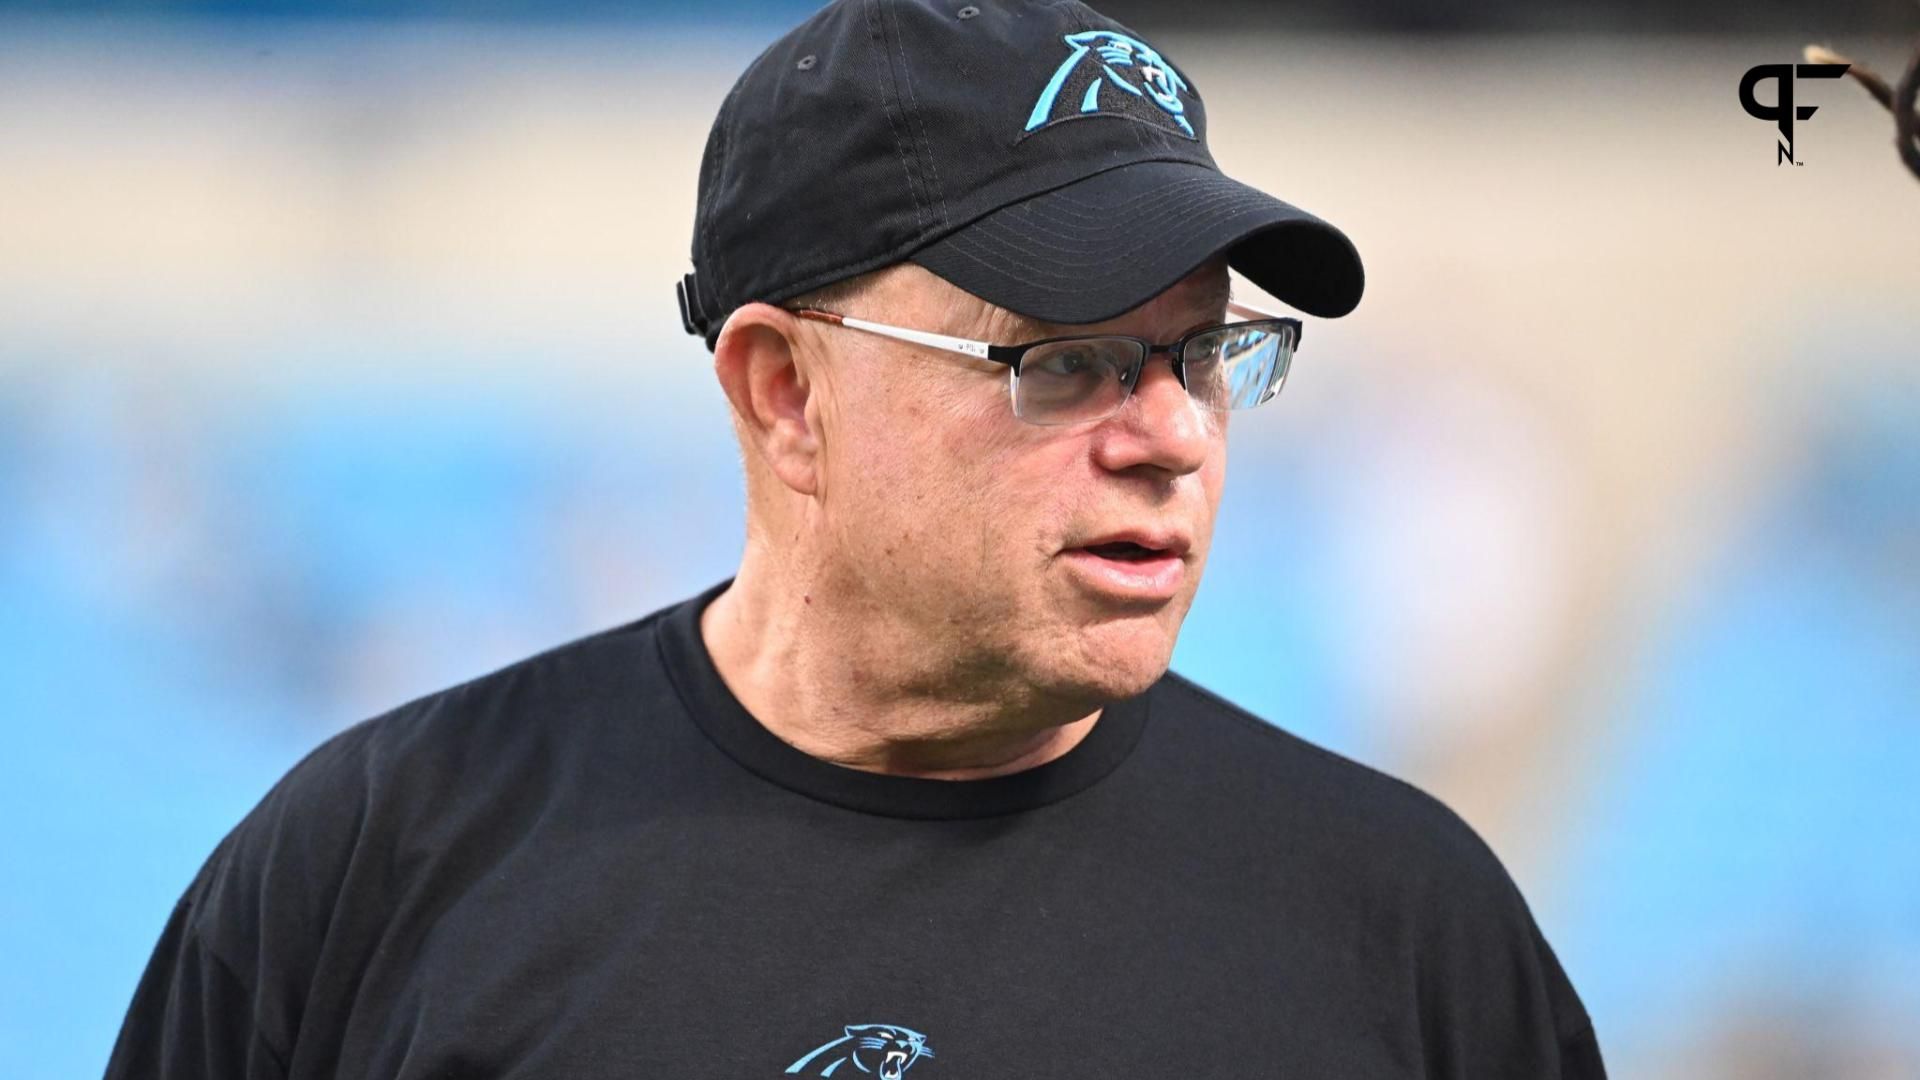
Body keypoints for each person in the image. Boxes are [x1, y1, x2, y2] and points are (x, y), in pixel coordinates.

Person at [106, 1, 1605, 1077]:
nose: (1176, 434)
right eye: (1065, 358)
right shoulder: (374, 863)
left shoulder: (1408, 928)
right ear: (785, 393)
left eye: (1204, 353)